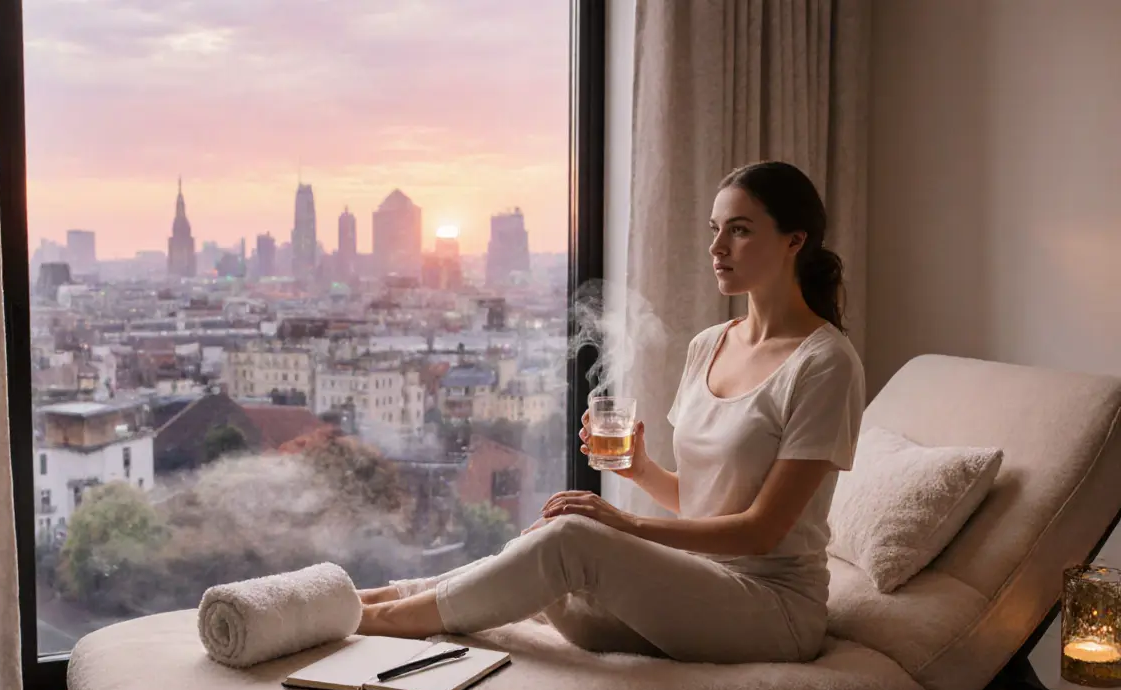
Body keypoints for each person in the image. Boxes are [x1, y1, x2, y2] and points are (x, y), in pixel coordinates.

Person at [356, 160, 865, 664]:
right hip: (696, 589)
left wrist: (624, 524)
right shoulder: (710, 345)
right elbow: (706, 501)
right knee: (548, 537)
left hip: (771, 612)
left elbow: (759, 531)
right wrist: (640, 470)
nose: (717, 248)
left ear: (794, 241)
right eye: (715, 230)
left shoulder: (824, 363)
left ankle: (384, 622)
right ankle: (375, 601)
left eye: (740, 230)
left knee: (575, 541)